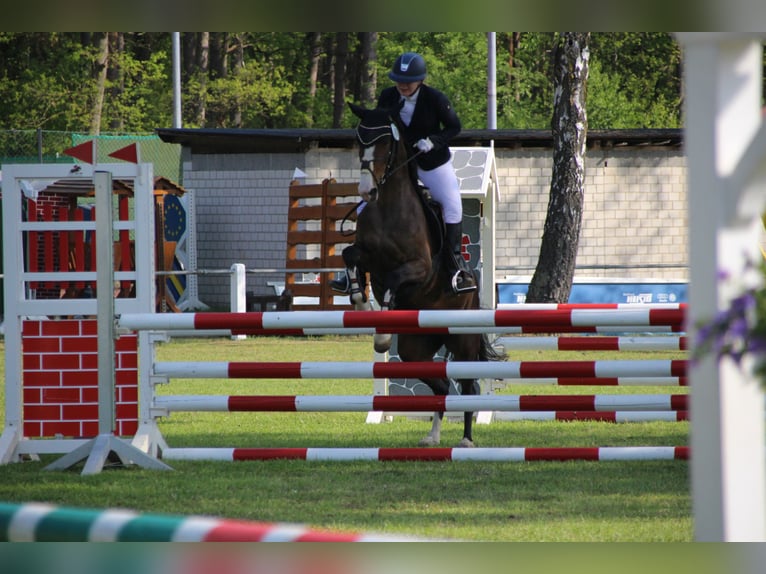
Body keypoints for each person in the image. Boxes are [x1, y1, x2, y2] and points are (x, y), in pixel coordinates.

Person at [331, 51, 476, 295]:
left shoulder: (435, 99)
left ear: (420, 80)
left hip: (431, 163)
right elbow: (379, 126)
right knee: (364, 205)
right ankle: (353, 269)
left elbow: (455, 127)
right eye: (399, 79)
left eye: (409, 80)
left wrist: (434, 140)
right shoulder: (388, 96)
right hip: (397, 164)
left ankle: (455, 267)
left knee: (453, 205)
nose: (404, 85)